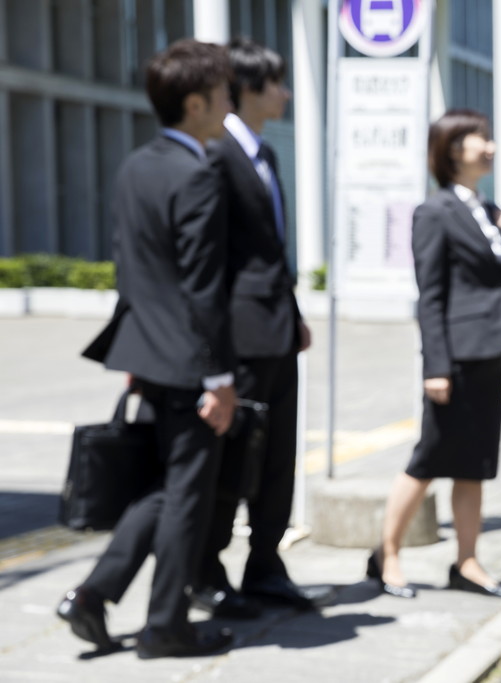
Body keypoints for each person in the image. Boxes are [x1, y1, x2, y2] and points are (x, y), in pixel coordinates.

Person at [56, 39, 237, 658]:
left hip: (146, 351)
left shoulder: (136, 166)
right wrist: (219, 378)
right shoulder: (198, 175)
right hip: (189, 362)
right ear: (195, 104)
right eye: (223, 94)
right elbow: (203, 288)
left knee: (164, 488)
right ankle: (166, 626)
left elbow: (132, 270)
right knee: (187, 496)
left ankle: (92, 596)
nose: (229, 104)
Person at [189, 37, 313, 619]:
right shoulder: (219, 156)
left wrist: (293, 314)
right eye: (276, 84)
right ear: (246, 90)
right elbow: (212, 258)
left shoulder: (266, 155)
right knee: (236, 455)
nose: (284, 94)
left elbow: (270, 253)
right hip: (241, 336)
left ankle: (265, 564)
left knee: (279, 455)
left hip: (278, 329)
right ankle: (207, 570)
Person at [368, 109, 501, 599]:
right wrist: (436, 367)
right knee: (429, 459)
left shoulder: (489, 211)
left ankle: (467, 563)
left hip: (489, 352)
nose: (490, 147)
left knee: (475, 463)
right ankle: (387, 554)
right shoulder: (434, 212)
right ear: (452, 149)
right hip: (455, 359)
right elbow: (430, 296)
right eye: (480, 139)